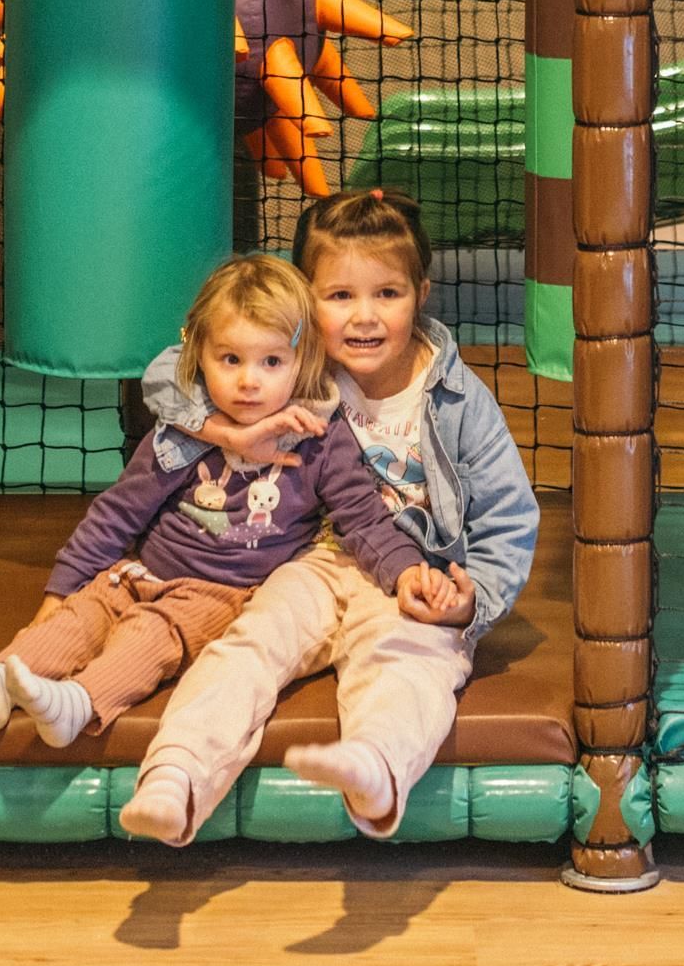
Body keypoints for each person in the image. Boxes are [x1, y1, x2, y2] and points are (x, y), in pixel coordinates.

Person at [120, 187, 542, 844]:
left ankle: (374, 763)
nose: (364, 317)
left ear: (421, 294)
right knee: (251, 643)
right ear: (304, 302)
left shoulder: (458, 400)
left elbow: (509, 517)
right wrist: (225, 433)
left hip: (416, 579)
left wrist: (471, 601)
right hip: (313, 562)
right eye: (340, 296)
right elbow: (165, 372)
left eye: (387, 294)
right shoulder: (299, 368)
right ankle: (176, 776)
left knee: (409, 658)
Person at [0, 254, 425, 748]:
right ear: (201, 356)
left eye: (271, 362)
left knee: (150, 634)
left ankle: (81, 701)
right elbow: (118, 513)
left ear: (303, 362)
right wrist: (60, 593)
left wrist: (405, 573)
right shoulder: (182, 434)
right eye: (230, 360)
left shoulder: (320, 439)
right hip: (142, 572)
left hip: (219, 595)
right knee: (84, 612)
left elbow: (364, 518)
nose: (249, 381)